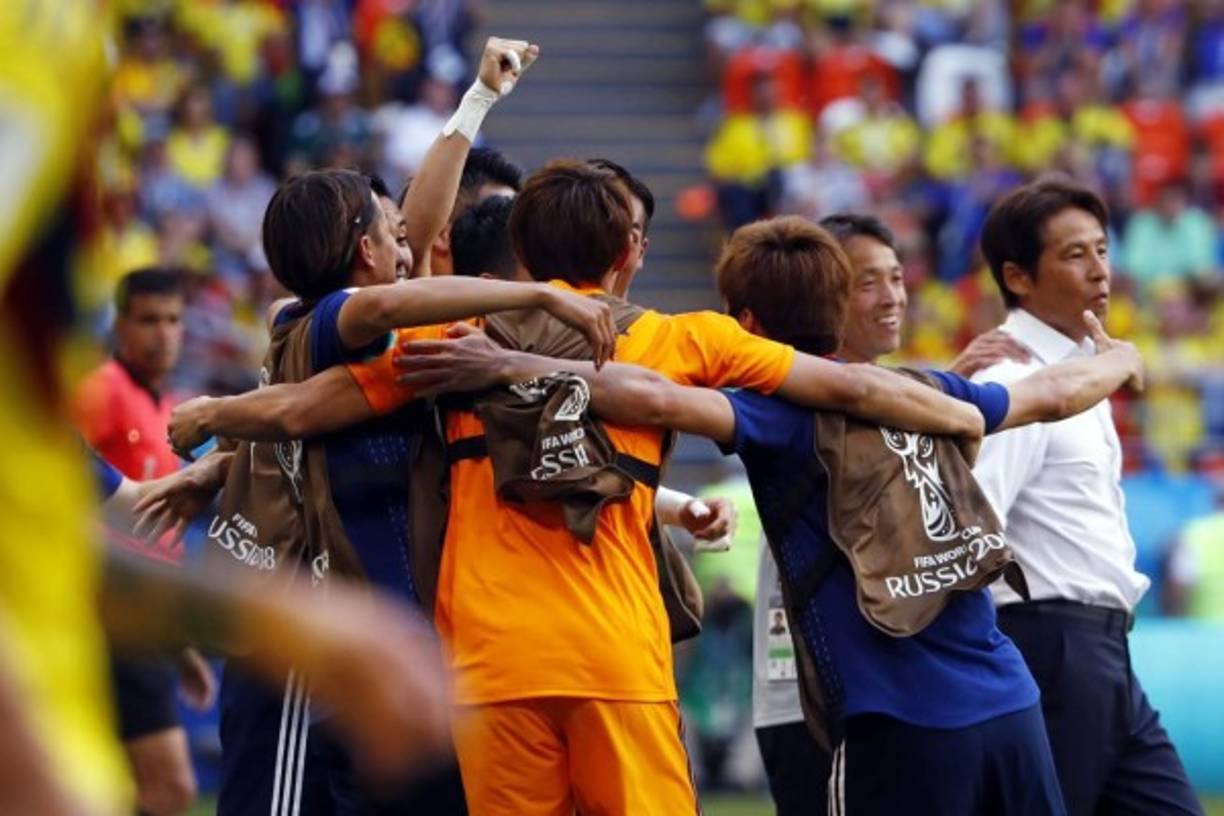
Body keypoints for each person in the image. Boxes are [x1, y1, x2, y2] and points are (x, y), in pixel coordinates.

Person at [168, 160, 987, 815]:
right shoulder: (682, 339)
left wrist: (214, 415)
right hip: (616, 658)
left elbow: (310, 407)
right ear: (630, 250)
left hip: (488, 667)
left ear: (523, 250)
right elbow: (846, 387)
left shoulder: (449, 339)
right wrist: (958, 412)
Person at [390, 214, 1146, 816]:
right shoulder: (936, 390)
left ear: (743, 322)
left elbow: (651, 397)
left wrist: (510, 366)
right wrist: (1119, 360)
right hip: (1010, 705)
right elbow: (1054, 394)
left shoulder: (773, 414)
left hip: (898, 721)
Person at [750, 213, 1029, 816]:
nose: (891, 298)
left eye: (897, 278)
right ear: (823, 294)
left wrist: (944, 391)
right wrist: (948, 399)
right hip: (812, 697)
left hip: (891, 690)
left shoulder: (904, 391)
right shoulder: (785, 405)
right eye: (867, 282)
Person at [971, 177, 1204, 816]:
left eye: (1102, 250)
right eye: (1075, 255)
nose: (1100, 270)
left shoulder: (1086, 369)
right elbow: (970, 530)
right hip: (1048, 645)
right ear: (1018, 277)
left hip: (1106, 651)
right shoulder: (1013, 382)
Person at [73, 267, 211, 816]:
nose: (163, 334)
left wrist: (177, 641)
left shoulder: (164, 406)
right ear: (121, 325)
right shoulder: (101, 392)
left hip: (144, 616)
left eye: (174, 320)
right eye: (149, 320)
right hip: (108, 612)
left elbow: (150, 528)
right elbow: (66, 491)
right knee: (170, 787)